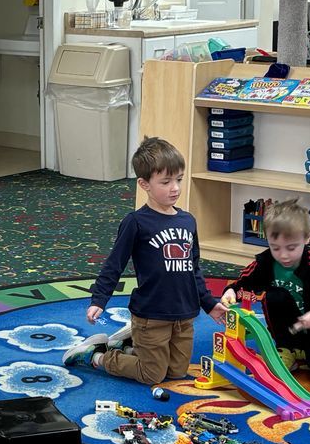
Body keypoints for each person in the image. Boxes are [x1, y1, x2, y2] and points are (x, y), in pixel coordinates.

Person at [65, 136, 225, 385]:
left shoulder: (188, 221)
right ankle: (95, 356)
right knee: (153, 375)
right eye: (166, 181)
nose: (175, 188)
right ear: (144, 184)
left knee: (176, 372)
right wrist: (99, 299)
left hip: (184, 315)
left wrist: (209, 304)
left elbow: (193, 268)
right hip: (151, 314)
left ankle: (129, 345)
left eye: (179, 180)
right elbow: (114, 263)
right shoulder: (136, 222)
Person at [217, 200, 310, 388]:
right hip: (289, 330)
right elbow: (244, 283)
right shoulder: (265, 262)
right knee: (274, 295)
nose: (283, 255)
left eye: (291, 248)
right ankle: (288, 347)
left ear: (308, 238)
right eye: (275, 247)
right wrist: (231, 292)